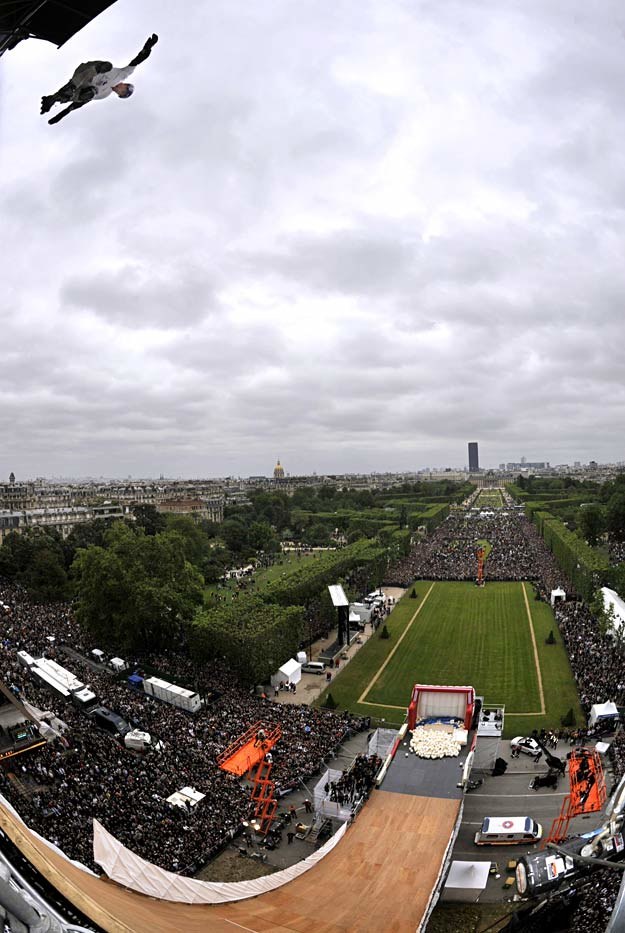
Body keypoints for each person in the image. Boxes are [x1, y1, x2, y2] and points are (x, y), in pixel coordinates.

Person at [41, 34, 158, 125]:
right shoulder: (123, 74)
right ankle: (69, 89)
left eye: (121, 93)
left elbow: (81, 103)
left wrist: (63, 114)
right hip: (88, 70)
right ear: (124, 84)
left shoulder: (104, 94)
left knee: (89, 94)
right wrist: (147, 48)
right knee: (108, 66)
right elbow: (137, 61)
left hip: (80, 85)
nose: (120, 90)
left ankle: (57, 98)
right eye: (123, 89)